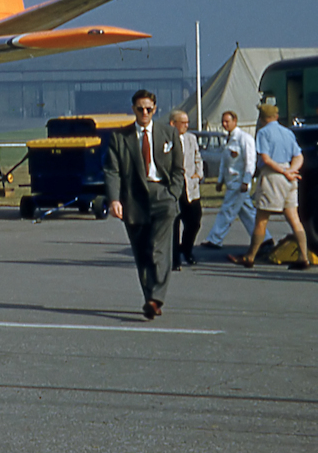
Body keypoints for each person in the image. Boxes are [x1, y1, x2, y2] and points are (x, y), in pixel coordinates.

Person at [103, 90, 184, 319]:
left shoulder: (168, 133)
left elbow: (178, 169)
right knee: (142, 253)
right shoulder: (121, 138)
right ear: (134, 109)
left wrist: (173, 194)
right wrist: (115, 199)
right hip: (134, 198)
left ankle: (157, 296)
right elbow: (112, 170)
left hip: (163, 196)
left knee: (159, 248)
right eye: (140, 109)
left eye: (149, 109)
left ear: (155, 109)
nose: (145, 113)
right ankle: (151, 299)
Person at [228, 104, 309, 270]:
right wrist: (291, 170)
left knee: (261, 220)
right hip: (291, 177)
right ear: (277, 116)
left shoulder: (263, 133)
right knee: (294, 219)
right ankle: (303, 256)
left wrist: (283, 171)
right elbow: (298, 156)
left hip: (273, 176)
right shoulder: (288, 132)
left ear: (262, 118)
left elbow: (265, 159)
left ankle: (250, 257)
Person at [203, 110, 256, 249]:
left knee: (227, 211)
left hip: (239, 183)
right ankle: (264, 239)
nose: (224, 124)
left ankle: (215, 239)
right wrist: (220, 180)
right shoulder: (228, 139)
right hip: (231, 181)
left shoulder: (244, 138)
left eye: (227, 121)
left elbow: (250, 161)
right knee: (248, 213)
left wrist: (246, 180)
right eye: (223, 122)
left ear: (235, 121)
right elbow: (224, 162)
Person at [169, 111, 201, 268]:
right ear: (173, 123)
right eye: (183, 122)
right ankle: (175, 259)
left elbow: (197, 157)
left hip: (190, 186)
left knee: (194, 221)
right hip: (174, 187)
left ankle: (186, 249)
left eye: (188, 122)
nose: (186, 126)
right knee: (174, 223)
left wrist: (198, 174)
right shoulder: (166, 140)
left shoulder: (191, 138)